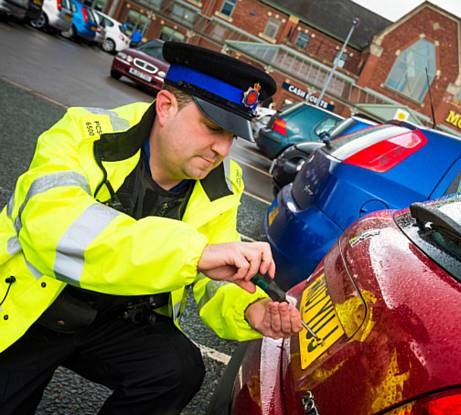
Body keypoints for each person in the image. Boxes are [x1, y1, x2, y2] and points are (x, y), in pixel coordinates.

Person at [0, 41, 302, 414]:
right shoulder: (84, 132)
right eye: (212, 128)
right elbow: (52, 229)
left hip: (114, 318)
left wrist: (249, 310)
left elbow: (214, 275)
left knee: (177, 369)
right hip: (33, 307)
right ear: (165, 107)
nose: (222, 150)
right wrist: (193, 254)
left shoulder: (221, 181)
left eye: (232, 137)